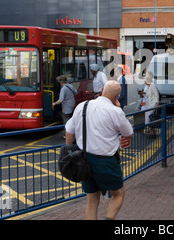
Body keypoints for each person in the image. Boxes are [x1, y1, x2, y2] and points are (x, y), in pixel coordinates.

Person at [65, 80, 133, 220]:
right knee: (118, 194)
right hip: (106, 161)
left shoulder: (82, 106)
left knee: (92, 199)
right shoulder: (115, 111)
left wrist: (69, 151)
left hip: (84, 160)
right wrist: (119, 110)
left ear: (102, 89)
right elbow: (128, 133)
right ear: (117, 97)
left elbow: (69, 131)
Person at [138, 73, 159, 138]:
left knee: (150, 118)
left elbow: (156, 95)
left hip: (151, 104)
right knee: (147, 117)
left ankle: (151, 132)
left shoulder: (153, 86)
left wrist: (156, 103)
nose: (144, 82)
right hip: (146, 104)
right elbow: (146, 95)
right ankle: (151, 132)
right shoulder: (147, 86)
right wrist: (142, 93)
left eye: (145, 81)